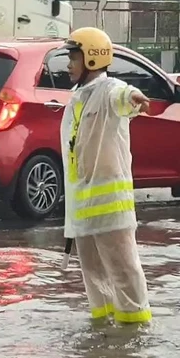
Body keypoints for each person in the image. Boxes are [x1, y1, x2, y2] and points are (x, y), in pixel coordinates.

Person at [60, 27, 152, 325]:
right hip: (83, 211)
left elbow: (122, 96)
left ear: (91, 58)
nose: (69, 64)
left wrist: (135, 97)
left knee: (125, 275)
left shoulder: (107, 89)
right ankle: (102, 336)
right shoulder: (78, 99)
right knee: (95, 281)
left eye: (73, 57)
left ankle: (135, 333)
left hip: (111, 210)